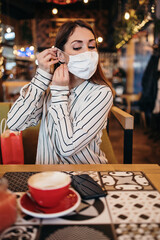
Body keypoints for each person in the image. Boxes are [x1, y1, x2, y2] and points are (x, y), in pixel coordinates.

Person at [7, 20, 113, 164]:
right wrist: (41, 77)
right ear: (61, 56)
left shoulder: (101, 93)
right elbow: (14, 123)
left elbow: (68, 147)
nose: (87, 53)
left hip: (87, 178)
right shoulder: (48, 91)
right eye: (77, 47)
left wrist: (60, 95)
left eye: (91, 46)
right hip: (48, 179)